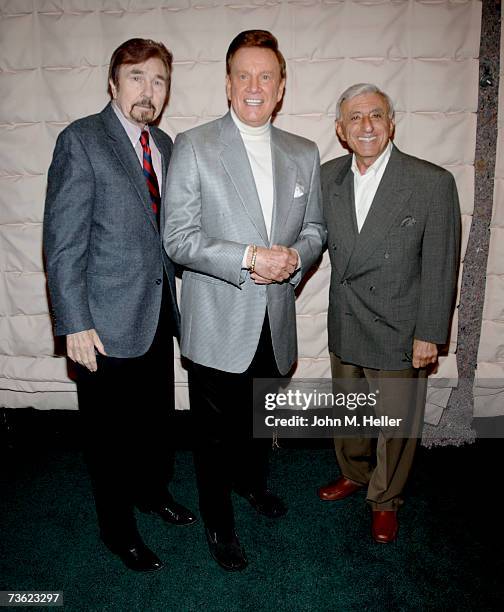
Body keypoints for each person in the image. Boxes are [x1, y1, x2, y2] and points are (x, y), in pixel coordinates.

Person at [163, 30, 325, 571]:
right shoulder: (193, 144)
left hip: (275, 320)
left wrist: (295, 257)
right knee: (212, 436)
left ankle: (252, 485)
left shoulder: (305, 152)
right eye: (243, 75)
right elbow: (178, 238)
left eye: (266, 76)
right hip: (217, 319)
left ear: (281, 88)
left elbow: (317, 230)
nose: (254, 86)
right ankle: (218, 523)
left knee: (259, 419)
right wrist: (251, 256)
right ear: (228, 83)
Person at [43, 38, 196, 572]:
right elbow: (62, 242)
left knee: (155, 422)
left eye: (158, 80)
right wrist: (74, 323)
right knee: (109, 438)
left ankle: (152, 494)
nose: (148, 89)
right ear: (113, 83)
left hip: (156, 316)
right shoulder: (82, 140)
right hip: (102, 324)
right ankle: (117, 529)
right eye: (136, 77)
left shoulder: (168, 145)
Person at [318, 83, 461, 543]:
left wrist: (430, 334)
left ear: (391, 123)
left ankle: (385, 499)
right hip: (346, 319)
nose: (366, 126)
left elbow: (441, 265)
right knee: (350, 414)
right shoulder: (327, 177)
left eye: (375, 115)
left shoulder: (430, 182)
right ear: (341, 130)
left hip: (400, 326)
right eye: (355, 117)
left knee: (395, 425)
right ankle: (355, 474)